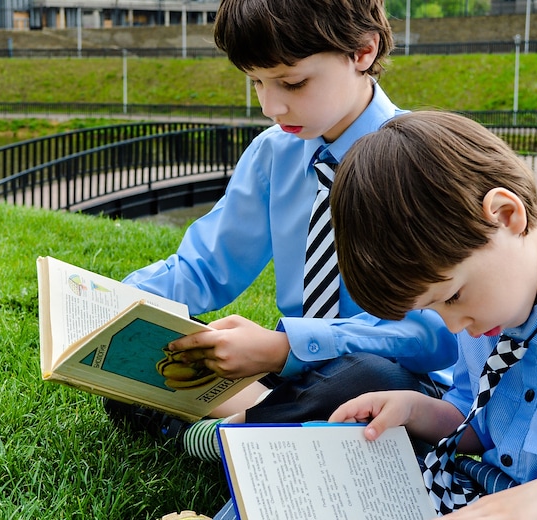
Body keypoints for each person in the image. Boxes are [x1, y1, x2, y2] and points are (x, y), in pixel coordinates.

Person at [104, 0, 457, 463]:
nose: (272, 106)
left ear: (363, 52)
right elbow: (205, 267)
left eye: (293, 82)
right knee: (147, 362)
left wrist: (285, 346)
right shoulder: (274, 153)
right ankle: (256, 434)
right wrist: (115, 303)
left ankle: (206, 436)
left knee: (365, 380)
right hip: (290, 374)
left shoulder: (421, 162)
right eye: (256, 82)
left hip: (394, 380)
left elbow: (438, 333)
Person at [328, 110, 537, 518]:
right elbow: (476, 416)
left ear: (506, 215)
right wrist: (414, 410)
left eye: (452, 297)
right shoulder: (490, 310)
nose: (455, 326)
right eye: (432, 308)